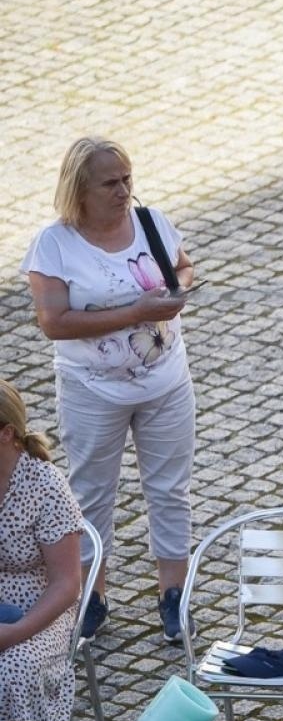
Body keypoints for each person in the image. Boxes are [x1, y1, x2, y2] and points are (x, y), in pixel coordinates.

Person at [22, 138, 197, 644]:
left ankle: (173, 595)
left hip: (166, 381)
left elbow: (181, 266)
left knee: (169, 490)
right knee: (92, 494)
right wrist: (137, 314)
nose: (124, 191)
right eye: (111, 183)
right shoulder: (53, 246)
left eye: (127, 179)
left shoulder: (150, 222)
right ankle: (92, 595)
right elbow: (54, 322)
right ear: (80, 188)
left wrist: (177, 289)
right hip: (92, 389)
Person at [0, 380, 84, 721]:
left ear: (7, 433)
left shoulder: (43, 485)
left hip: (39, 603)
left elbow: (67, 583)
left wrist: (15, 631)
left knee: (13, 666)